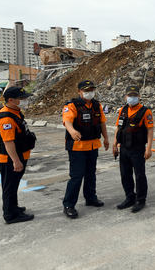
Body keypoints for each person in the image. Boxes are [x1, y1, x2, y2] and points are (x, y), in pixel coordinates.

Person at [62, 80, 109, 219]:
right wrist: (71, 131)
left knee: (90, 173)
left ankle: (91, 197)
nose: (89, 92)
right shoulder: (71, 106)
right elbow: (67, 121)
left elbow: (102, 122)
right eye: (86, 90)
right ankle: (69, 205)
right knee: (76, 176)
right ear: (79, 91)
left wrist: (106, 138)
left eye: (92, 89)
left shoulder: (96, 105)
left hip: (93, 145)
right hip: (77, 147)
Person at [0, 87, 36, 224]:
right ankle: (10, 215)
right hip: (10, 159)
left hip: (17, 157)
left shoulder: (14, 112)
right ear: (11, 100)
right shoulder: (6, 118)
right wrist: (16, 161)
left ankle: (14, 208)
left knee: (13, 185)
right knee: (9, 187)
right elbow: (8, 142)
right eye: (22, 99)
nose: (25, 101)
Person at [113, 86, 154, 213]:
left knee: (139, 175)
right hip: (124, 148)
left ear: (139, 97)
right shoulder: (123, 110)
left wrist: (149, 149)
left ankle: (141, 200)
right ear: (125, 97)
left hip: (137, 148)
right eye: (129, 96)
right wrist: (115, 144)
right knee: (125, 174)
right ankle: (130, 197)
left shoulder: (145, 112)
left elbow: (150, 130)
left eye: (134, 95)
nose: (132, 98)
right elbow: (118, 128)